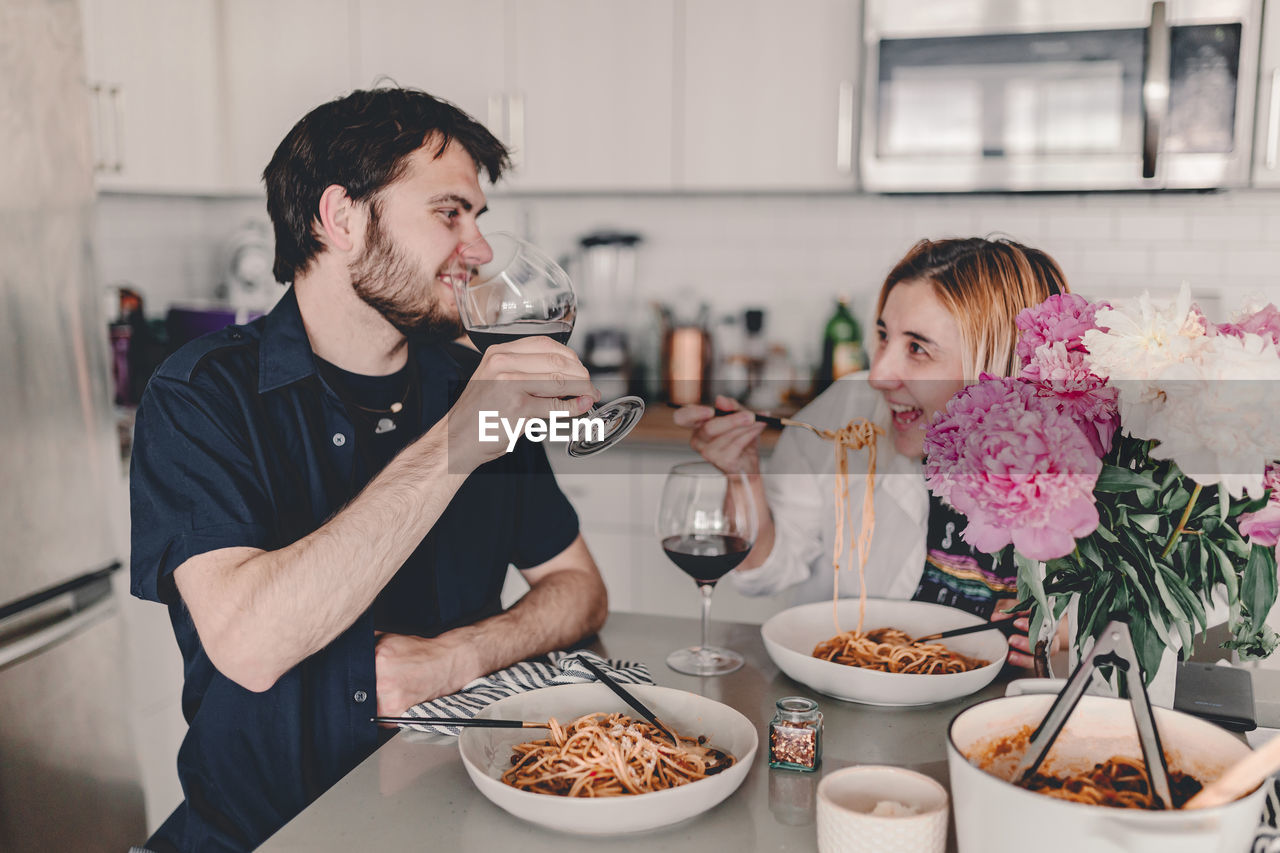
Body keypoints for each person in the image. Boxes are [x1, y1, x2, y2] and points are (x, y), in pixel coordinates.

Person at [129, 88, 608, 852]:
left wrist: (457, 657)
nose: (479, 248)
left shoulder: (474, 384)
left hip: (461, 821)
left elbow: (580, 589)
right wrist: (459, 438)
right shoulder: (201, 397)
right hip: (265, 836)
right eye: (449, 212)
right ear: (341, 219)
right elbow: (251, 645)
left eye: (478, 218)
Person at [675, 237, 1070, 668]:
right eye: (883, 337)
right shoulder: (847, 409)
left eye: (917, 349)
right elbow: (765, 571)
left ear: (996, 366)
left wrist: (1079, 629)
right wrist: (742, 474)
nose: (878, 376)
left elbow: (1124, 652)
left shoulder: (1092, 448)